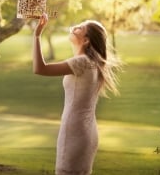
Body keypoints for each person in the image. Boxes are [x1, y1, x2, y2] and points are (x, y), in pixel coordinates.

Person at [33, 13, 122, 175]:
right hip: (86, 131)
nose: (74, 28)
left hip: (75, 132)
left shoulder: (81, 62)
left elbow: (40, 69)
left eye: (80, 28)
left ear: (86, 40)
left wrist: (37, 35)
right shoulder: (91, 63)